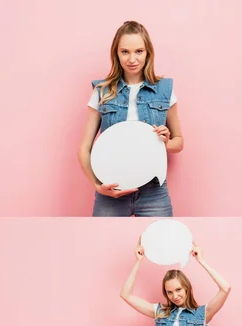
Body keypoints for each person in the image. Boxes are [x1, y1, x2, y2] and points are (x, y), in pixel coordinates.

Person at [78, 21, 183, 217]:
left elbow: (179, 142)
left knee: (159, 245)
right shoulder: (102, 91)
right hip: (111, 191)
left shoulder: (165, 90)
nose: (132, 59)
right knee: (102, 244)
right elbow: (84, 149)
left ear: (148, 53)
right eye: (125, 51)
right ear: (116, 54)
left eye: (139, 51)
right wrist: (98, 185)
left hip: (154, 192)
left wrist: (166, 142)